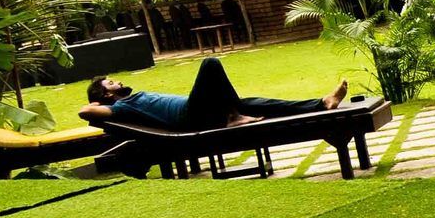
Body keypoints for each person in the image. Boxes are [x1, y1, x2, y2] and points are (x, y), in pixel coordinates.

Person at [83, 65, 351, 129]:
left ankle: (322, 104)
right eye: (111, 82)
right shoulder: (122, 109)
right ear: (106, 93)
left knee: (260, 103)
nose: (117, 81)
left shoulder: (128, 101)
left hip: (201, 110)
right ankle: (232, 116)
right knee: (210, 63)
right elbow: (86, 112)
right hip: (191, 115)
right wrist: (96, 103)